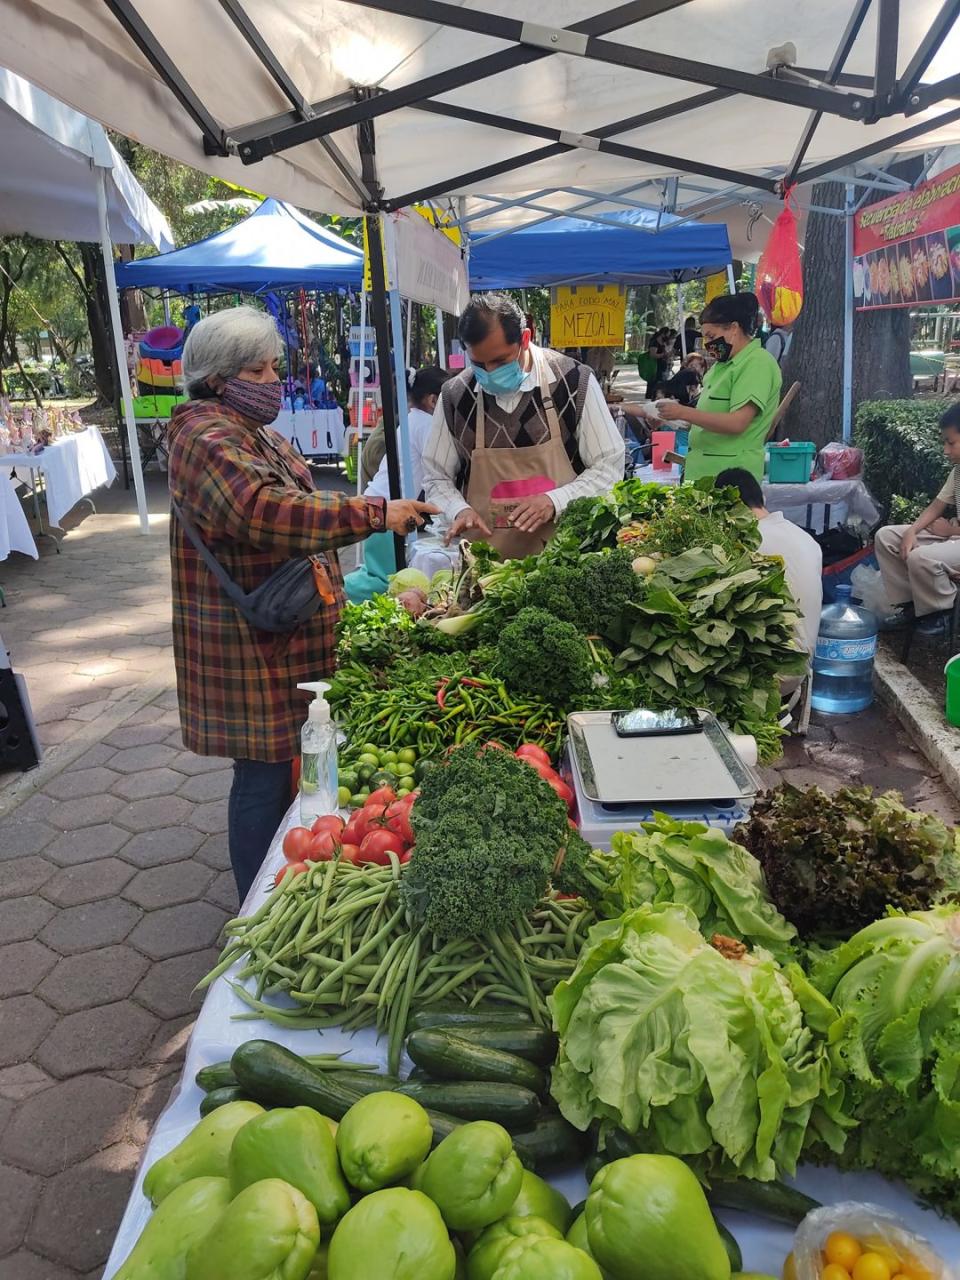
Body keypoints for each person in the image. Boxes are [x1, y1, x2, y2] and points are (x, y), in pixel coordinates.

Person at [167, 306, 436, 900]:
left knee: (288, 761)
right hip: (249, 641)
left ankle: (290, 874)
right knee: (261, 774)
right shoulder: (204, 436)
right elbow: (264, 510)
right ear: (219, 379)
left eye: (273, 369)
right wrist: (371, 512)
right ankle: (255, 907)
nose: (273, 383)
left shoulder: (243, 427)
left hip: (282, 628)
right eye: (260, 372)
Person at [422, 292, 625, 556]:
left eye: (500, 361)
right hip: (487, 569)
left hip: (567, 559)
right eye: (479, 364)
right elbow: (436, 475)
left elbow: (609, 466)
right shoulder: (455, 394)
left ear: (525, 339)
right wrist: (457, 509)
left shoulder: (574, 382)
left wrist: (555, 501)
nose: (490, 373)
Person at [345, 366, 451, 602]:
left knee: (380, 573)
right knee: (383, 580)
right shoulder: (426, 425)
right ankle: (338, 591)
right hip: (386, 509)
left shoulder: (412, 420)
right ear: (434, 401)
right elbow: (442, 467)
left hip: (380, 502)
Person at [659, 292, 781, 484]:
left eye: (711, 336)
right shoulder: (721, 366)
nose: (707, 343)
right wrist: (679, 419)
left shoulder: (757, 363)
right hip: (702, 475)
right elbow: (710, 416)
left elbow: (737, 423)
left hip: (732, 479)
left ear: (734, 328)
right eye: (705, 337)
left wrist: (683, 412)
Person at [716, 467, 822, 662]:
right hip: (803, 661)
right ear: (762, 498)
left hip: (770, 668)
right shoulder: (808, 540)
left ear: (725, 507)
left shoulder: (744, 544)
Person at [875, 403, 960, 634]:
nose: (945, 450)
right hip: (954, 538)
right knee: (888, 537)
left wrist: (951, 532)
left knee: (921, 558)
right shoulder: (958, 471)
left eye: (950, 442)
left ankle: (940, 612)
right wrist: (912, 531)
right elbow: (937, 506)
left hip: (954, 537)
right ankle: (912, 606)